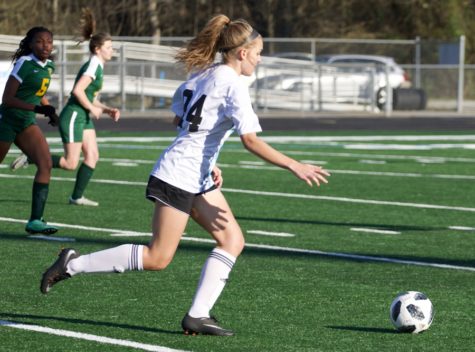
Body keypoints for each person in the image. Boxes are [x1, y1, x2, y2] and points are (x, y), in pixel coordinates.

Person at [40, 14, 330, 336]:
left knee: (232, 240)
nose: (260, 59)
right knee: (157, 257)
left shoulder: (203, 75)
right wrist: (294, 164)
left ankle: (198, 315)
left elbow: (179, 119)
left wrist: (209, 158)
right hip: (178, 176)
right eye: (258, 52)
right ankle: (72, 263)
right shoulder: (232, 83)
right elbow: (250, 140)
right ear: (242, 53)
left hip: (195, 174)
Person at [11, 8, 120, 206]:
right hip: (74, 115)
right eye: (109, 46)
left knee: (93, 156)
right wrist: (94, 109)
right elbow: (78, 91)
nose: (112, 50)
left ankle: (76, 197)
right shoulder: (94, 65)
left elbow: (88, 96)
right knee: (71, 164)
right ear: (98, 49)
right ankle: (32, 157)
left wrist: (105, 109)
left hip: (83, 115)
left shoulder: (98, 65)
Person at [0, 26, 59, 235]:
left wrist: (49, 110)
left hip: (26, 122)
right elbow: (7, 99)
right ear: (31, 44)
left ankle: (35, 221)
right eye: (40, 41)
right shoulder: (24, 63)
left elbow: (37, 92)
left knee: (45, 164)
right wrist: (38, 108)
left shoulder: (50, 66)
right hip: (7, 121)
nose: (45, 45)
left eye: (49, 42)